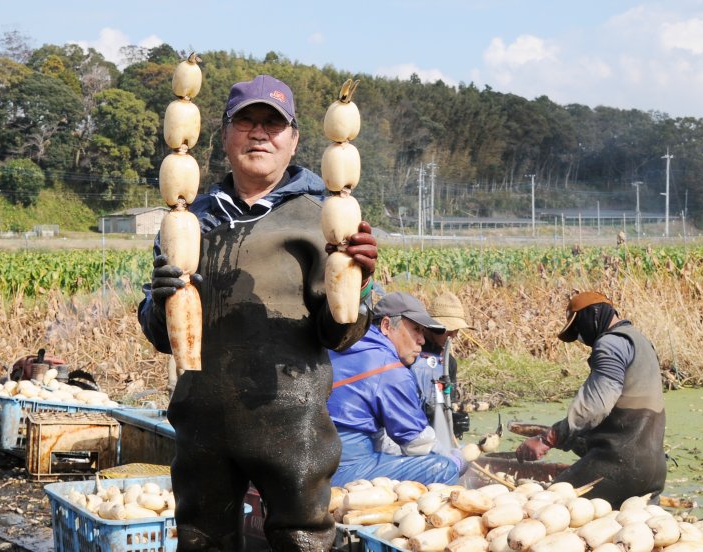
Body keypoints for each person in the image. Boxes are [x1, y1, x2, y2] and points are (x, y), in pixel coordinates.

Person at [138, 74, 378, 551]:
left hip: (292, 426)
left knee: (301, 540)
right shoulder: (189, 218)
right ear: (224, 135)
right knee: (201, 540)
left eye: (273, 124)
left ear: (293, 140)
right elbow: (162, 336)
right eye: (246, 121)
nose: (259, 133)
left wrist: (356, 282)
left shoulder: (321, 217)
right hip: (201, 425)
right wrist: (159, 299)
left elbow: (340, 335)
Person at [515, 291, 667, 508]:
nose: (579, 337)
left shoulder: (610, 345)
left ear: (594, 315)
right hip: (654, 468)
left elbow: (594, 407)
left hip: (618, 463)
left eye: (578, 328)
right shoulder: (640, 341)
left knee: (549, 506)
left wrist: (547, 440)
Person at [327, 292, 468, 487]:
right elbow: (417, 443)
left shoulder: (345, 345)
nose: (422, 340)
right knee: (444, 469)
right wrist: (453, 457)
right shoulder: (389, 367)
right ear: (386, 326)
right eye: (416, 329)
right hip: (343, 467)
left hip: (317, 456)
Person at [409, 292, 474, 432]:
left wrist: (455, 420)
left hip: (434, 434)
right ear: (432, 326)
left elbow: (449, 400)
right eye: (449, 330)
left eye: (456, 330)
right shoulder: (409, 355)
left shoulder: (449, 363)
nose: (454, 335)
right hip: (408, 431)